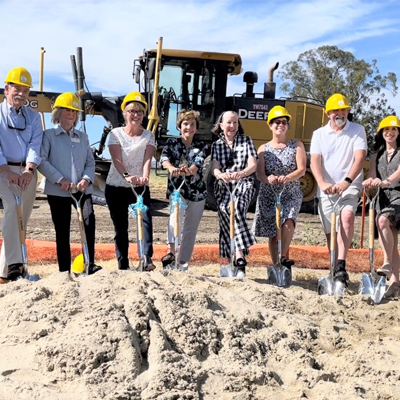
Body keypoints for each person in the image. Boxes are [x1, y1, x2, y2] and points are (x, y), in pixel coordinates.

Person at [38, 92, 102, 275]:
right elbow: (42, 160)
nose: (71, 114)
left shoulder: (82, 137)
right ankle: (64, 270)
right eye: (67, 110)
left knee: (89, 222)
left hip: (82, 190)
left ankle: (89, 263)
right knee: (62, 229)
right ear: (58, 112)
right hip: (59, 191)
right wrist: (60, 179)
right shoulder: (48, 136)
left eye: (74, 111)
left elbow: (90, 162)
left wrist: (86, 179)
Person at [310, 93, 367, 285]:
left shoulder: (358, 130)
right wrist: (322, 183)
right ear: (328, 113)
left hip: (349, 187)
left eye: (343, 109)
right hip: (326, 189)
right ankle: (334, 268)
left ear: (348, 111)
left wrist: (347, 181)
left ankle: (341, 264)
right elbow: (315, 161)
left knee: (347, 217)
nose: (340, 113)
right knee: (330, 232)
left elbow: (360, 157)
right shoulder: (318, 134)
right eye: (335, 110)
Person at [0, 67, 43, 283]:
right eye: (17, 89)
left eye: (26, 91)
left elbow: (35, 144)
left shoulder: (33, 117)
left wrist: (29, 170)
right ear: (7, 89)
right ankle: (16, 267)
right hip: (3, 172)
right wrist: (6, 171)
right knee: (11, 213)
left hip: (26, 173)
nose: (21, 94)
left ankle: (4, 272)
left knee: (21, 220)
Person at [105, 91, 156, 271]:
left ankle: (146, 258)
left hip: (139, 187)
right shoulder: (115, 134)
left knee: (145, 220)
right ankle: (123, 263)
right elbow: (116, 158)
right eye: (132, 111)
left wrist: (145, 177)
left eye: (139, 111)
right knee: (121, 227)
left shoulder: (148, 136)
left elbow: (147, 159)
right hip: (116, 186)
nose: (135, 115)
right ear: (125, 113)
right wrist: (127, 176)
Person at [252, 106, 306, 269]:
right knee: (273, 234)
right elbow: (259, 174)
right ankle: (276, 265)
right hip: (270, 194)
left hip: (290, 193)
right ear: (270, 125)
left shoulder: (296, 145)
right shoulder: (263, 149)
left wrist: (288, 178)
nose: (280, 125)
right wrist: (268, 179)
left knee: (288, 222)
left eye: (283, 122)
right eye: (276, 122)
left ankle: (283, 257)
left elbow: (302, 169)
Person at [160, 109, 209, 270]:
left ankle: (183, 262)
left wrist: (190, 169)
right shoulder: (172, 143)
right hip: (177, 189)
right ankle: (171, 252)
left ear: (196, 127)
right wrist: (171, 168)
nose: (189, 127)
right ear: (180, 126)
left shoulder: (202, 146)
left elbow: (199, 163)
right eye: (185, 124)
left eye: (192, 124)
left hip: (197, 191)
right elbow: (164, 158)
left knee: (190, 228)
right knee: (175, 217)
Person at [211, 111, 257, 276]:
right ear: (221, 125)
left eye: (235, 123)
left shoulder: (247, 141)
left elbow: (253, 165)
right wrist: (220, 175)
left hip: (243, 183)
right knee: (224, 211)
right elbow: (215, 167)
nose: (232, 126)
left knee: (236, 208)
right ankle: (234, 258)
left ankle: (238, 255)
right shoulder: (217, 145)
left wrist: (241, 173)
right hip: (224, 185)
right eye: (228, 123)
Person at [362, 115, 400, 298]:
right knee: (391, 240)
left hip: (398, 197)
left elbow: (398, 174)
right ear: (381, 133)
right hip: (383, 198)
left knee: (382, 219)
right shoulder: (377, 156)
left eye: (393, 129)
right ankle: (394, 282)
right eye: (386, 130)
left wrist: (385, 181)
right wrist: (369, 181)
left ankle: (386, 262)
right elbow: (371, 174)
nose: (389, 133)